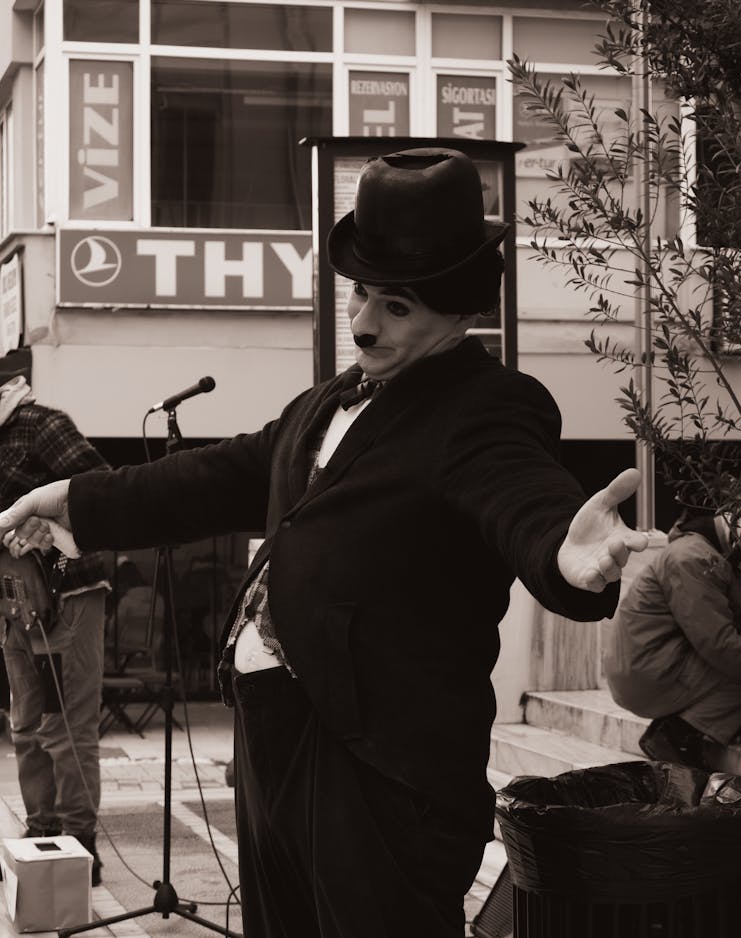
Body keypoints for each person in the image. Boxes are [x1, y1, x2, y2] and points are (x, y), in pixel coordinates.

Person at [0, 148, 647, 938]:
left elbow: (522, 496)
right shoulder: (332, 401)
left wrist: (563, 554)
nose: (365, 322)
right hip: (278, 742)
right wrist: (79, 499)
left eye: (396, 307)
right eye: (359, 296)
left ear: (457, 311)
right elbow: (221, 473)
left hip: (378, 772)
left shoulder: (486, 408)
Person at [0, 374, 109, 885]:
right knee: (25, 725)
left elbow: (100, 484)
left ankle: (78, 843)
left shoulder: (40, 424)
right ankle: (41, 833)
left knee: (66, 728)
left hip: (66, 595)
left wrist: (42, 529)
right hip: (13, 603)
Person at [605, 508, 741, 772]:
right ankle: (677, 737)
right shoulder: (693, 557)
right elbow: (720, 646)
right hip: (646, 674)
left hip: (655, 665)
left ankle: (685, 728)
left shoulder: (709, 551)